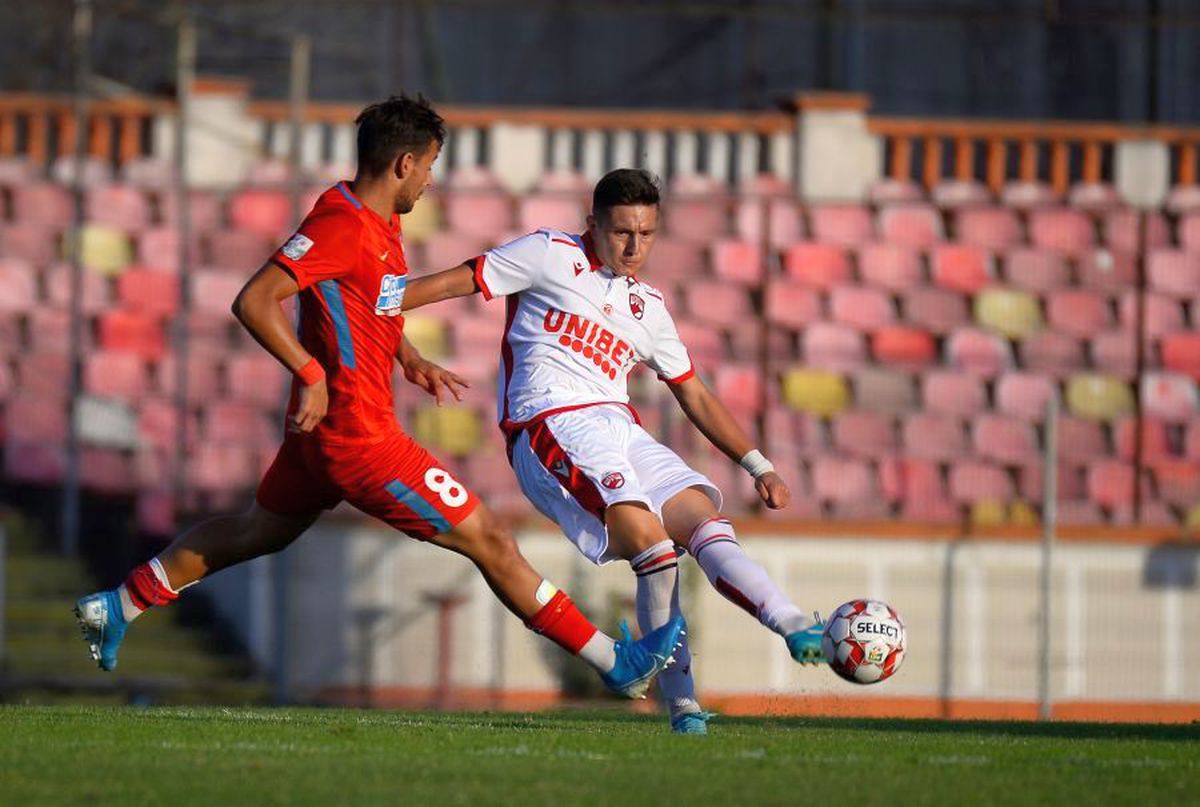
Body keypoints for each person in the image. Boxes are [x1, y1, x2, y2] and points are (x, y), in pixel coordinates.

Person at [74, 99, 684, 702]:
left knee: (256, 531)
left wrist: (408, 357)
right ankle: (615, 663)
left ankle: (118, 605)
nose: (429, 179)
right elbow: (255, 300)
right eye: (429, 166)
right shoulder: (339, 225)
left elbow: (367, 305)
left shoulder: (376, 220)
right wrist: (310, 371)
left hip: (319, 440)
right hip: (358, 438)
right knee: (490, 540)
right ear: (403, 164)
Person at [399, 168, 825, 735]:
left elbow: (693, 391)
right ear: (592, 224)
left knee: (703, 520)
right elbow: (444, 284)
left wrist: (759, 465)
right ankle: (682, 705)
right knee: (651, 546)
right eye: (622, 231)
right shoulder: (548, 253)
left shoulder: (648, 306)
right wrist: (379, 312)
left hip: (618, 426)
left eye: (646, 234)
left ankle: (792, 622)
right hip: (548, 422)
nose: (633, 246)